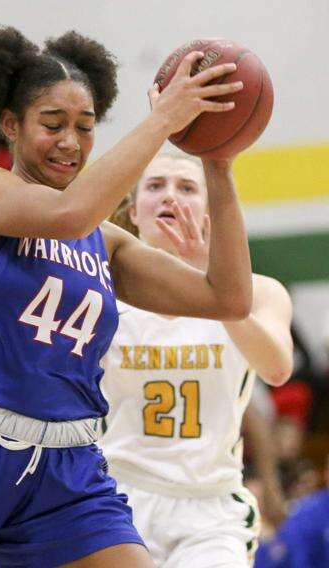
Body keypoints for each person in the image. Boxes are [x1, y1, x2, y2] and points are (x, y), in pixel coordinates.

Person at [0, 22, 250, 568]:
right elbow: (67, 215)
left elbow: (228, 298)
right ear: (10, 125)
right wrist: (165, 118)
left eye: (86, 127)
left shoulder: (106, 241)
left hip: (67, 462)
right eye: (53, 124)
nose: (71, 142)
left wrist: (218, 162)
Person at [100, 152, 293, 567]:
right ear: (133, 210)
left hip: (210, 508)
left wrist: (218, 289)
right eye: (156, 186)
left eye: (186, 187)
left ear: (209, 210)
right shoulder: (101, 295)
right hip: (116, 496)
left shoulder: (259, 293)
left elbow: (277, 370)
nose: (171, 196)